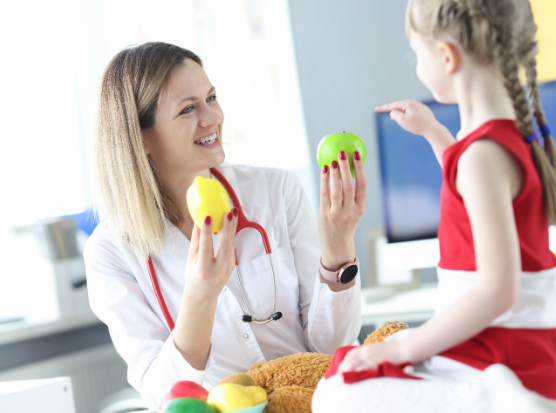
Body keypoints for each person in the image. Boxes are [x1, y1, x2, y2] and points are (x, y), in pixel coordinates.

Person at [313, 0, 556, 410]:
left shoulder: (482, 157)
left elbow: (497, 291)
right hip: (514, 349)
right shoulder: (505, 140)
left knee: (336, 396)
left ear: (447, 57)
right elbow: (471, 187)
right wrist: (434, 133)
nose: (417, 65)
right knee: (349, 372)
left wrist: (400, 352)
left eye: (417, 54)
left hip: (505, 361)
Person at [83, 42, 366, 408]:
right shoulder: (111, 251)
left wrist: (338, 249)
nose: (212, 117)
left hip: (320, 400)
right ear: (142, 137)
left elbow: (333, 348)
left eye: (211, 98)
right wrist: (201, 294)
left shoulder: (275, 191)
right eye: (188, 109)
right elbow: (163, 394)